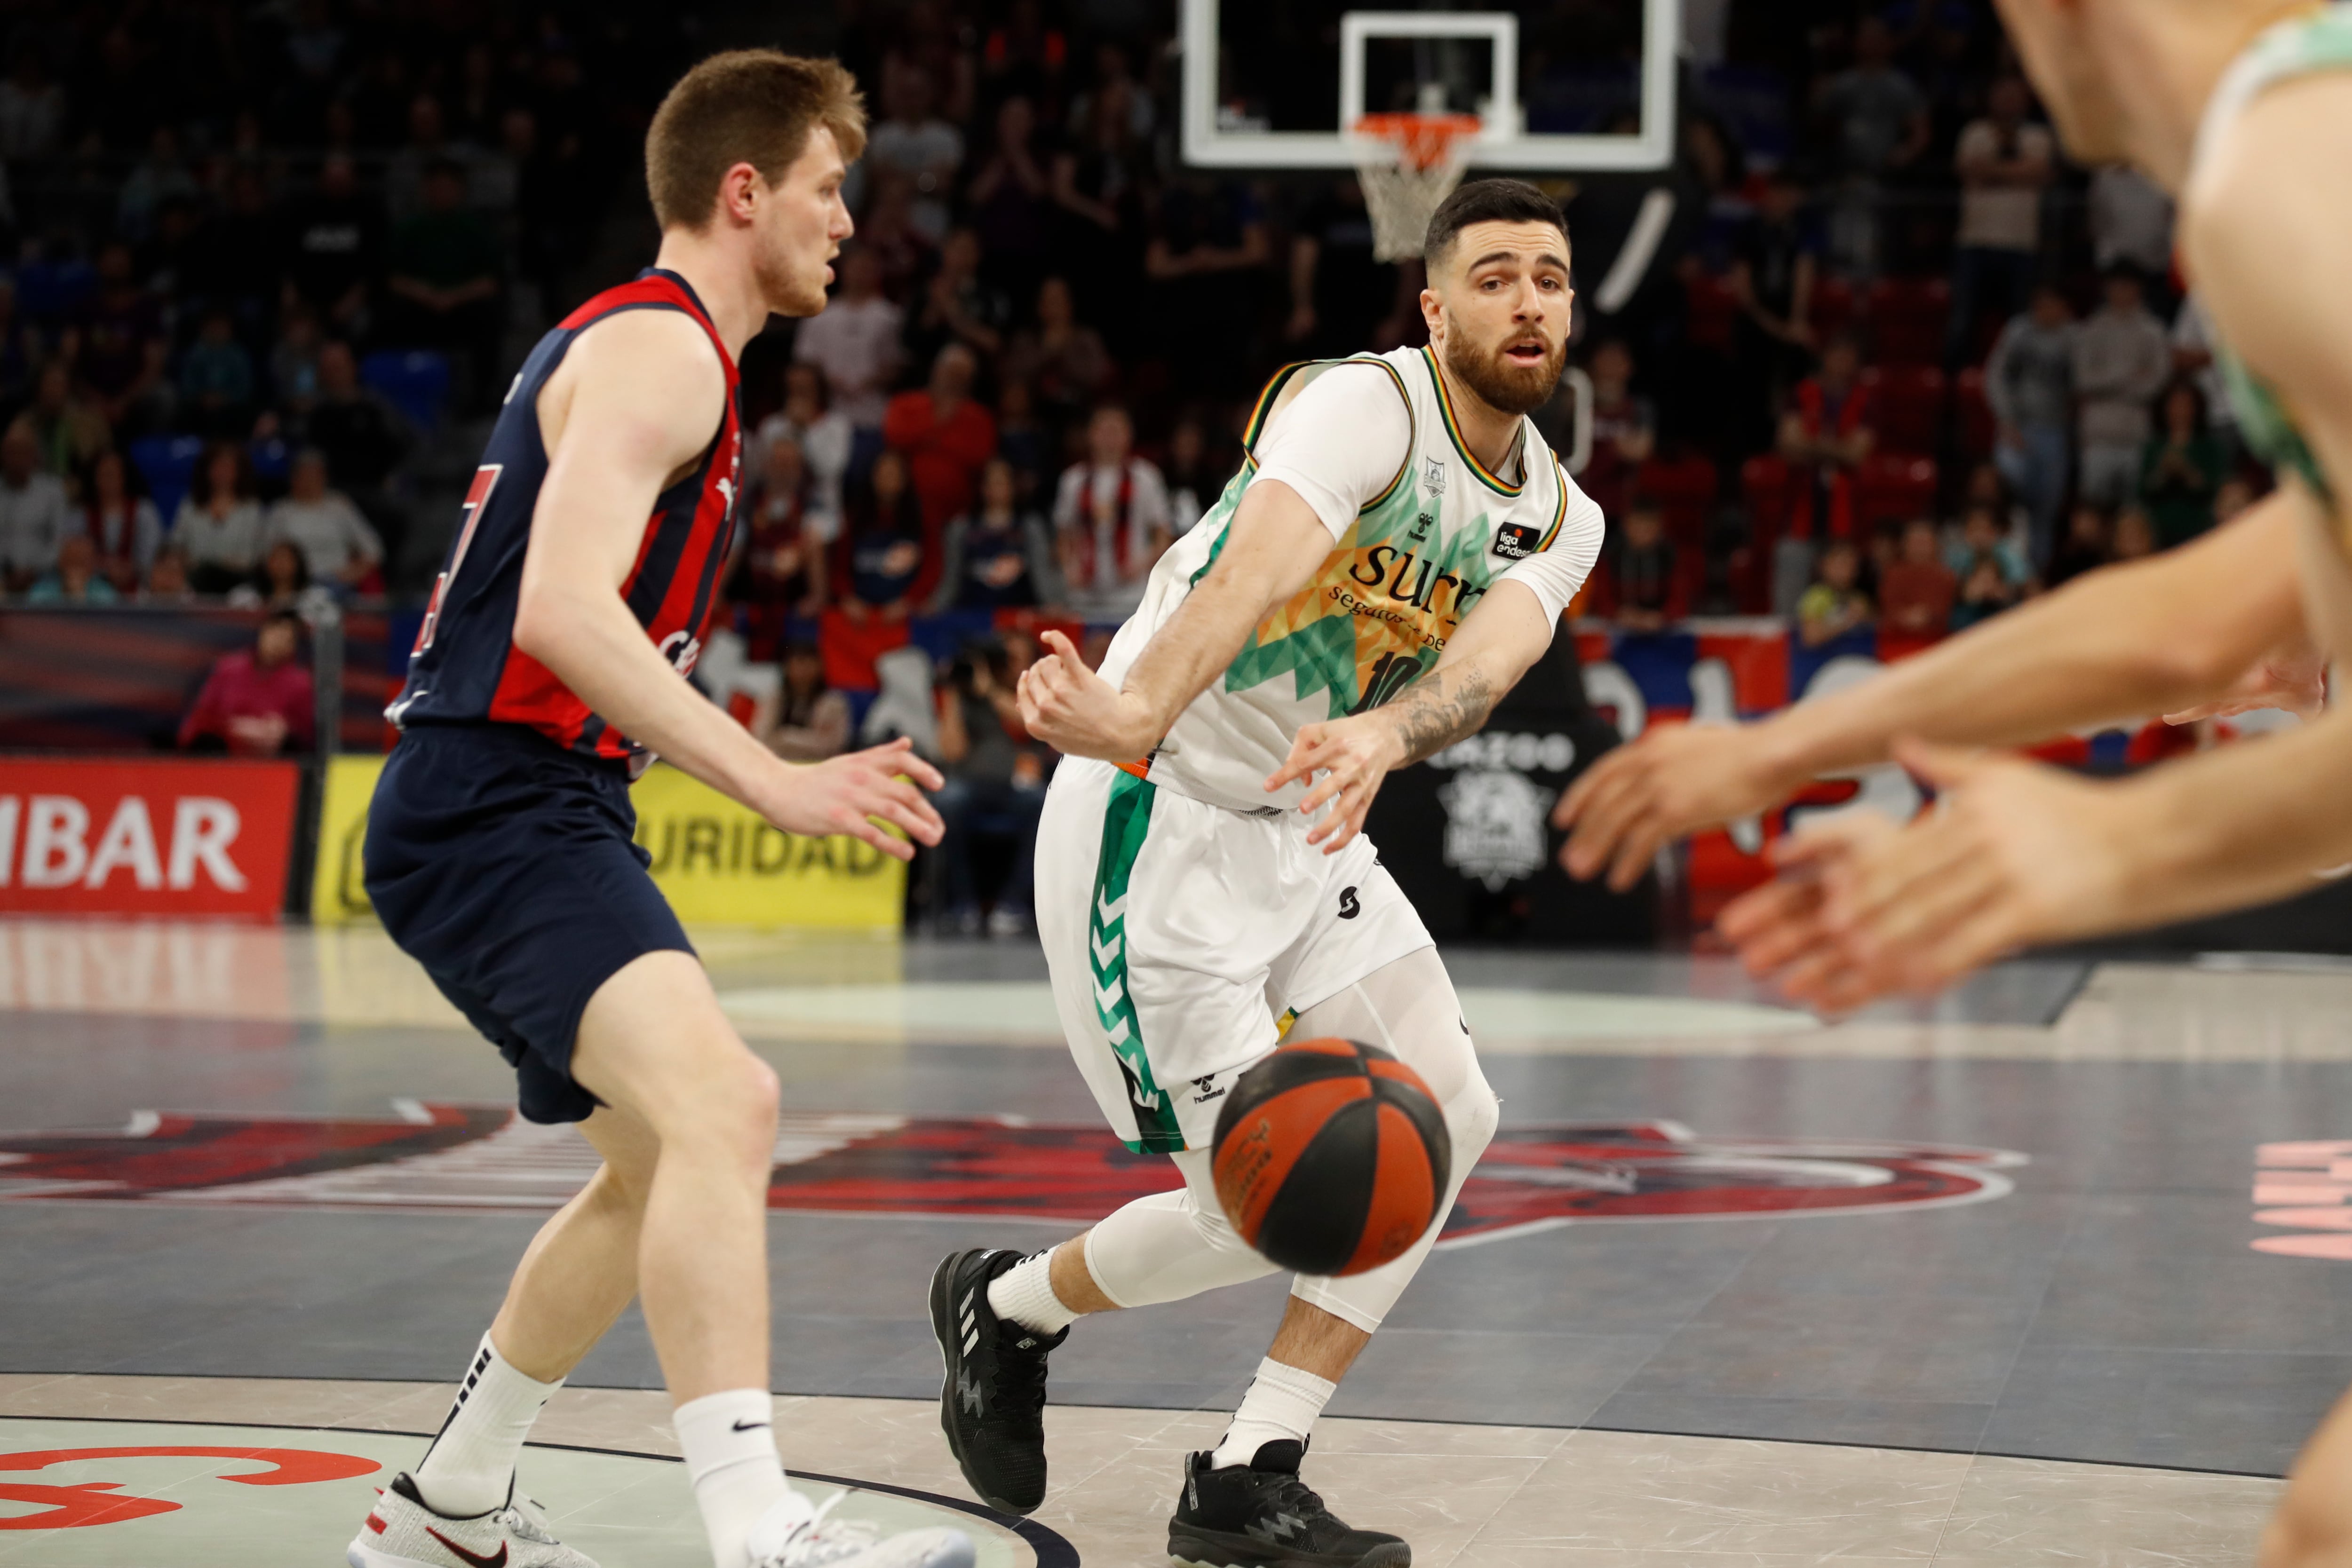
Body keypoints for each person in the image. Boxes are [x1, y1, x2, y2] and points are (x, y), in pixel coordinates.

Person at [929, 178, 1603, 1568]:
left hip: (1303, 828)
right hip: (1151, 819)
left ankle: (1250, 1466)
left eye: (1547, 275)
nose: (1525, 299)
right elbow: (1249, 571)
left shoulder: (1558, 514)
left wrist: (1381, 729)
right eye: (1491, 276)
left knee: (1451, 1112)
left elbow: (1483, 667)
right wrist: (1129, 710)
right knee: (1264, 1203)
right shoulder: (1367, 407)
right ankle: (1011, 1304)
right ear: (1433, 305)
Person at [355, 51, 966, 1568]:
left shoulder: (671, 355)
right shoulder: (666, 351)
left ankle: (452, 1500)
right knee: (727, 1104)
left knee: (655, 1163)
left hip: (521, 798)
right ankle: (758, 1526)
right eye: (829, 189)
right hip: (501, 798)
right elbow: (563, 609)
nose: (846, 222)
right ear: (743, 190)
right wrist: (777, 782)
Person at [932, 639, 1045, 937]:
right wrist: (954, 695)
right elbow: (951, 752)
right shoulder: (964, 699)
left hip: (1015, 788)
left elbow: (1029, 725)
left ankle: (1013, 905)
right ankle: (962, 906)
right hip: (970, 786)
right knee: (948, 801)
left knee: (1042, 802)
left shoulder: (1028, 694)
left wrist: (990, 690)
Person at [1947, 76, 2055, 364]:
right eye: (2002, 93)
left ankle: (2016, 388)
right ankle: (1955, 394)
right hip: (1974, 243)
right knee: (1962, 323)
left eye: (2014, 94)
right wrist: (2017, 173)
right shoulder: (1975, 132)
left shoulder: (2038, 136)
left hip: (2021, 245)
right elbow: (1969, 171)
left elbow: (2039, 173)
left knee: (2019, 327)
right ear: (1991, 97)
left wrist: (1992, 173)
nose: (2008, 101)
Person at [1051, 402, 1169, 623]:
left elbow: (1163, 535)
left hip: (1132, 594)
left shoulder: (1146, 477)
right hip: (1084, 594)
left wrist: (1141, 563)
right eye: (1103, 430)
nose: (1109, 437)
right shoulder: (1073, 480)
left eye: (1116, 430)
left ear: (1129, 435)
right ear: (1090, 434)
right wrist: (1069, 569)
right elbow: (1063, 536)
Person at [1984, 286, 2076, 567]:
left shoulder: (2075, 337)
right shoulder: (2018, 332)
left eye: (2054, 305)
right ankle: (2004, 569)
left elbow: (2083, 386)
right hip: (2017, 430)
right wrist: (2007, 420)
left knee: (2046, 511)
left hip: (2055, 432)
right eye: (2042, 304)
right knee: (2006, 504)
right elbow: (1995, 377)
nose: (2048, 311)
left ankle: (2037, 573)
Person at [2072, 267, 2171, 506]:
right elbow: (2083, 380)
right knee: (2094, 509)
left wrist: (2106, 383)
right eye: (2116, 286)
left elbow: (2158, 382)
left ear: (2139, 289)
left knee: (2133, 512)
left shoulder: (2153, 330)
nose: (2122, 292)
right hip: (2098, 437)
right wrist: (2129, 374)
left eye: (2128, 286)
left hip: (2136, 436)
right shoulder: (2092, 329)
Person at [882, 341, 996, 532]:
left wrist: (928, 439)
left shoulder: (980, 417)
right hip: (906, 512)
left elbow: (979, 456)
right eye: (951, 372)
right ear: (937, 369)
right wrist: (947, 439)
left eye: (962, 376)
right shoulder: (905, 404)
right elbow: (895, 436)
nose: (955, 380)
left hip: (961, 515)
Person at [1777, 334, 1876, 540]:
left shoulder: (1864, 401)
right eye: (1837, 356)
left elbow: (1857, 455)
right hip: (1799, 502)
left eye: (1848, 358)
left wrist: (1810, 445)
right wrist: (1839, 449)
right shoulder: (1801, 394)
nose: (1842, 363)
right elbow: (1788, 445)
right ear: (1825, 358)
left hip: (1845, 510)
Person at [792, 245, 899, 433]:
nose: (860, 274)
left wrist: (871, 381)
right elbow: (804, 363)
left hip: (873, 413)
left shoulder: (889, 317)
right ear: (844, 270)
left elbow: (895, 365)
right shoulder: (820, 315)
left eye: (866, 268)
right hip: (826, 412)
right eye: (855, 267)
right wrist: (828, 380)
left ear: (877, 273)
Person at [930, 455, 1058, 613]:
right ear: (983, 488)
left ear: (1013, 486)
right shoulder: (961, 527)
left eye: (1002, 482)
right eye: (992, 482)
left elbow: (1042, 574)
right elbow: (951, 580)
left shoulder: (1030, 526)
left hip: (1018, 615)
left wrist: (1052, 604)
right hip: (974, 616)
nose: (997, 488)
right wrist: (935, 606)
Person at [179, 610, 313, 755]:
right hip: (222, 753)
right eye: (274, 634)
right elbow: (202, 715)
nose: (277, 643)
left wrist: (284, 732)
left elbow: (306, 733)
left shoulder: (302, 683)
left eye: (286, 639)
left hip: (273, 761)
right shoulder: (229, 668)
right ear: (263, 633)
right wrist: (233, 727)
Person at [264, 448, 383, 590]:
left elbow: (374, 550)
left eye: (314, 475)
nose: (309, 481)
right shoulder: (281, 511)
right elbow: (265, 552)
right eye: (303, 475)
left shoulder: (340, 506)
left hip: (337, 582)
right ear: (294, 478)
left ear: (324, 478)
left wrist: (355, 571)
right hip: (294, 585)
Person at [835, 448, 930, 621]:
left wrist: (910, 601)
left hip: (904, 614)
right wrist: (847, 598)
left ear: (905, 479)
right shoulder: (854, 519)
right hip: (860, 614)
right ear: (872, 477)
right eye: (883, 473)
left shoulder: (922, 519)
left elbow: (932, 567)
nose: (888, 480)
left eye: (894, 474)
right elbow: (839, 566)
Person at [2140, 379, 2230, 547]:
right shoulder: (2154, 448)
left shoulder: (2208, 447)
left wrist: (2187, 472)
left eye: (2186, 405)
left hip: (2200, 529)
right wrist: (2163, 472)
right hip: (2159, 532)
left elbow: (2219, 490)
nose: (2180, 411)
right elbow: (2142, 491)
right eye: (2174, 405)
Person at [174, 441, 267, 596]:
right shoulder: (190, 505)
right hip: (195, 580)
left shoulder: (252, 508)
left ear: (239, 472)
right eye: (217, 467)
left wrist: (223, 567)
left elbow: (255, 556)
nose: (222, 473)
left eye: (228, 468)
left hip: (240, 581)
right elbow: (177, 545)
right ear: (207, 470)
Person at [0, 423, 74, 594]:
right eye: (11, 452)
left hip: (44, 580)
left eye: (22, 453)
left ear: (34, 456)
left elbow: (59, 540)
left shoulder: (52, 492)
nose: (16, 460)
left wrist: (32, 572)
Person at [756, 640, 851, 762]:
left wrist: (786, 737)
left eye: (808, 664)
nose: (803, 671)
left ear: (820, 667)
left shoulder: (834, 702)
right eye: (798, 664)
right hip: (779, 764)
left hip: (819, 766)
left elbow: (832, 744)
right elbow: (760, 737)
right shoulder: (774, 698)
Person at [82, 448, 163, 593]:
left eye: (114, 473)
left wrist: (130, 569)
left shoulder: (144, 512)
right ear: (95, 477)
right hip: (92, 588)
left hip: (140, 587)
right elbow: (75, 556)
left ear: (124, 476)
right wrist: (105, 568)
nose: (110, 478)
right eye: (105, 474)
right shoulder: (81, 515)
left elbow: (152, 556)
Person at [1877, 516, 1957, 643]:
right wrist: (1905, 617)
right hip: (1896, 639)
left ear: (1935, 545)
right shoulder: (1893, 574)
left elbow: (1942, 610)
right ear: (1905, 545)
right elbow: (1889, 607)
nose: (1920, 547)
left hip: (1935, 640)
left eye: (1924, 542)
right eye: (1915, 542)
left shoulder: (1946, 575)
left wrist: (1926, 616)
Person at [1606, 498, 1679, 634]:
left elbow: (1680, 598)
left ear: (1659, 528)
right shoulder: (1611, 556)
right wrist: (1617, 614)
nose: (1642, 534)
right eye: (1637, 526)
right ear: (1626, 526)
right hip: (1618, 631)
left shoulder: (1670, 557)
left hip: (1663, 631)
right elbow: (1602, 597)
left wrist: (1663, 617)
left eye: (1648, 528)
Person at [1795, 536, 1872, 648]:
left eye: (1852, 563)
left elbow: (1874, 626)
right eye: (1841, 563)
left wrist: (1865, 616)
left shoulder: (1859, 598)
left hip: (1856, 659)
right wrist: (1848, 620)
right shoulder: (1816, 597)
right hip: (1823, 661)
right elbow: (1811, 637)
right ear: (1824, 566)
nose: (1847, 569)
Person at [24, 532, 120, 605]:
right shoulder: (41, 591)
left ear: (93, 565)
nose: (76, 567)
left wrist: (79, 596)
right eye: (71, 560)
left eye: (82, 561)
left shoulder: (105, 593)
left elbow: (106, 624)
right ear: (61, 563)